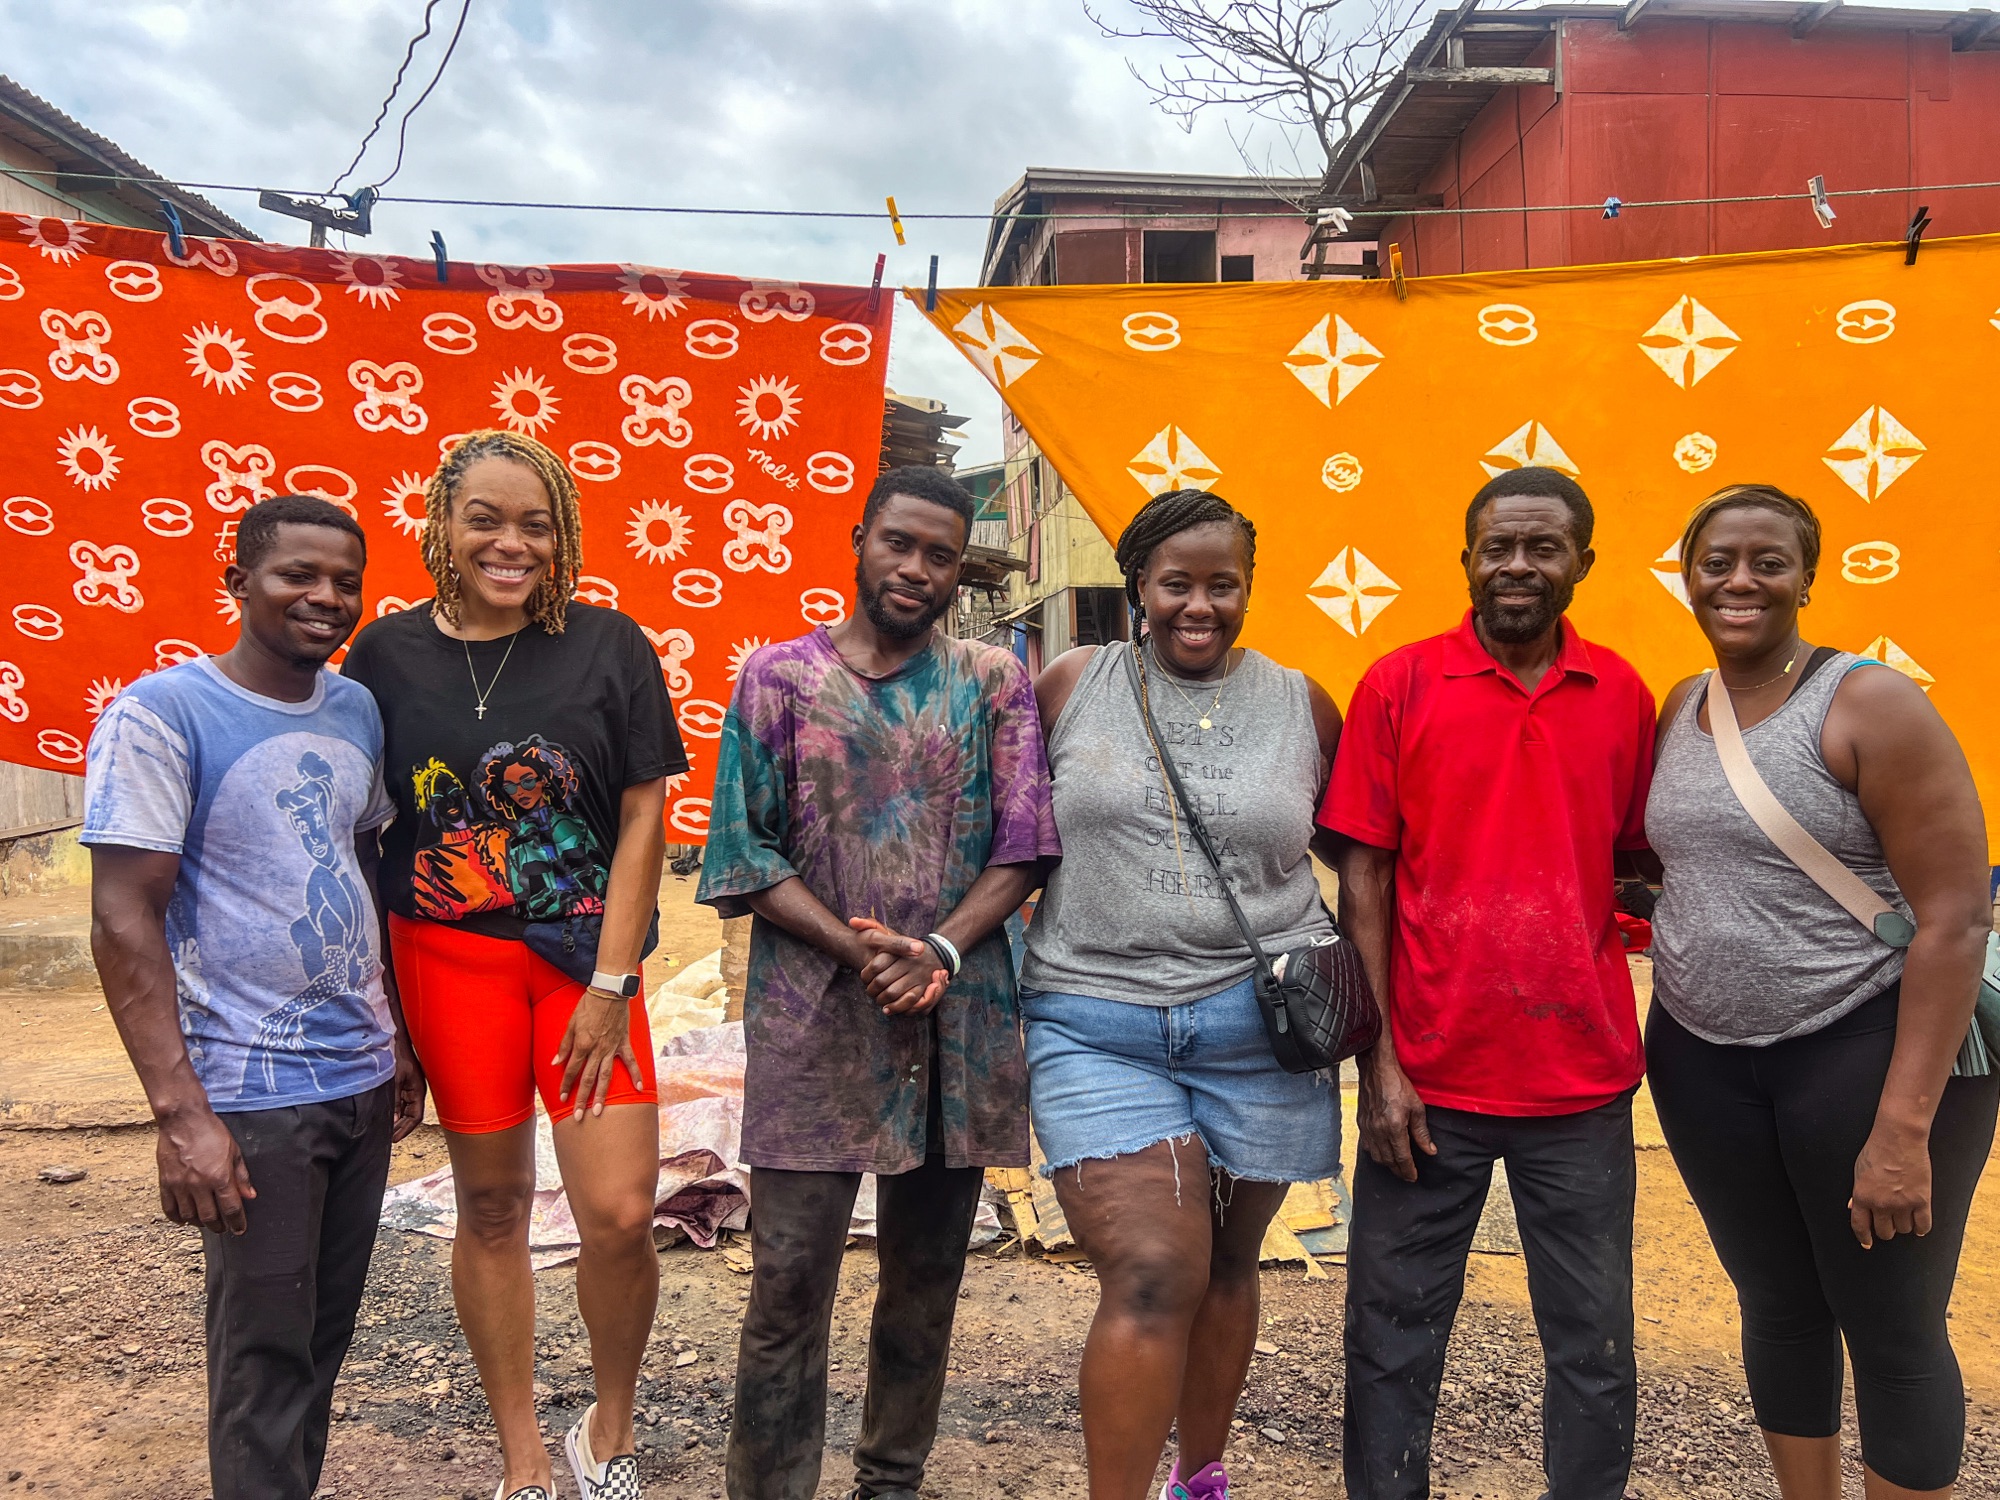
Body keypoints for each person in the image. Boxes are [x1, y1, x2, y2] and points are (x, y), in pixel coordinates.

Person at [698, 464, 1060, 1500]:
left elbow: (1026, 843)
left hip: (954, 1023)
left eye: (939, 555)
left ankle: (889, 1479)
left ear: (958, 570)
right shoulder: (778, 679)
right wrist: (868, 956)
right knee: (787, 1282)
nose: (914, 569)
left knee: (926, 1277)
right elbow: (744, 851)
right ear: (859, 539)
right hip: (813, 1024)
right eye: (897, 544)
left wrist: (938, 952)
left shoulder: (991, 681)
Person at [341, 430, 686, 1500]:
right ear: (444, 525)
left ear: (563, 535)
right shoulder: (383, 656)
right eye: (484, 517)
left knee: (622, 1213)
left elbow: (642, 819)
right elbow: (363, 830)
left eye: (534, 523)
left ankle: (609, 1435)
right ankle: (522, 1456)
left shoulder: (610, 645)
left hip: (584, 967)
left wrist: (611, 984)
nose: (510, 541)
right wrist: (385, 1012)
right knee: (491, 1208)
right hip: (447, 964)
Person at [1644, 484, 1998, 1499]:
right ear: (1686, 575)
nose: (1739, 582)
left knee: (1890, 1325)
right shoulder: (1681, 706)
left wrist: (1900, 1130)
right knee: (1777, 1306)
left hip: (1860, 1049)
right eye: (1716, 563)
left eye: (1767, 561)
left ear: (1806, 575)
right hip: (1704, 1056)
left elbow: (1952, 920)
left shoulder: (1868, 704)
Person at [83, 493, 426, 1500]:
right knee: (262, 1358)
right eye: (296, 576)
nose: (325, 599)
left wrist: (397, 1041)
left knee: (318, 1346)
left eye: (345, 583)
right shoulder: (162, 714)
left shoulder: (355, 708)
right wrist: (182, 1113)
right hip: (251, 1091)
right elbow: (121, 918)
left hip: (358, 1078)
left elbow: (360, 870)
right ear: (237, 583)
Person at [1324, 466, 1657, 1500]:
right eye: (1496, 546)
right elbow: (1362, 877)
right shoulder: (1399, 683)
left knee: (1592, 1348)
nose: (1516, 564)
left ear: (1580, 565)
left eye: (1541, 547)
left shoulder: (1621, 694)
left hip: (1582, 1084)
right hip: (1424, 1085)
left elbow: (1643, 859)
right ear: (1465, 557)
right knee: (1389, 1339)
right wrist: (1377, 1066)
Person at [1020, 487, 1345, 1500]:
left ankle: (1197, 1481)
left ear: (1248, 587)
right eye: (1174, 585)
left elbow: (1360, 860)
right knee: (1155, 1270)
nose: (1197, 606)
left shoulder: (1301, 702)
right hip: (1093, 1020)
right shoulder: (1072, 684)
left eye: (1222, 584)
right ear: (1136, 588)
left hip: (1261, 1026)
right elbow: (1010, 837)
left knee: (1226, 1266)